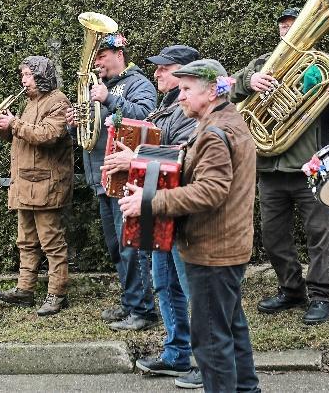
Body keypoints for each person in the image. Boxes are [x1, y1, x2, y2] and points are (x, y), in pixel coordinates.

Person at [119, 59, 260, 393]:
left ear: (211, 91)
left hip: (212, 250)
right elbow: (190, 166)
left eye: (185, 89)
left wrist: (148, 202)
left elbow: (210, 190)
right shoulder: (225, 120)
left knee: (211, 341)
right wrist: (139, 160)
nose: (178, 96)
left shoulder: (214, 132)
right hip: (227, 246)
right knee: (231, 327)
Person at [230, 7, 329, 324]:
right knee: (274, 238)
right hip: (270, 170)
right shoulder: (262, 64)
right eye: (284, 25)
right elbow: (227, 90)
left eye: (294, 24)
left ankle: (319, 296)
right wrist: (250, 80)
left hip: (310, 169)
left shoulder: (323, 65)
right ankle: (291, 290)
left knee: (319, 236)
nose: (289, 29)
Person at [101, 45, 203, 388]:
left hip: (179, 211)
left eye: (165, 68)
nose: (157, 73)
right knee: (165, 285)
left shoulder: (190, 109)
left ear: (188, 73)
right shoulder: (166, 105)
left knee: (190, 291)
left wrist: (136, 158)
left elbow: (184, 157)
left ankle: (206, 364)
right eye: (157, 69)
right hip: (160, 209)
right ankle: (176, 355)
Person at [65, 33, 158, 330]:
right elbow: (88, 138)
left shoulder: (137, 84)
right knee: (117, 247)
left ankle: (144, 311)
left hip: (126, 180)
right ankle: (130, 302)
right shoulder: (97, 89)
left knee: (133, 246)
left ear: (119, 54)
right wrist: (73, 126)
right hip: (102, 177)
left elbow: (146, 117)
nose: (96, 62)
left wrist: (110, 99)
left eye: (101, 56)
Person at [0, 56, 73, 316]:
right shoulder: (30, 103)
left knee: (52, 242)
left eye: (27, 74)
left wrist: (14, 123)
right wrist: (6, 130)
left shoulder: (58, 101)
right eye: (23, 75)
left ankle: (57, 294)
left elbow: (47, 136)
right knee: (26, 241)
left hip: (46, 185)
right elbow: (25, 138)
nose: (23, 80)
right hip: (25, 183)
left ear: (41, 76)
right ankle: (25, 290)